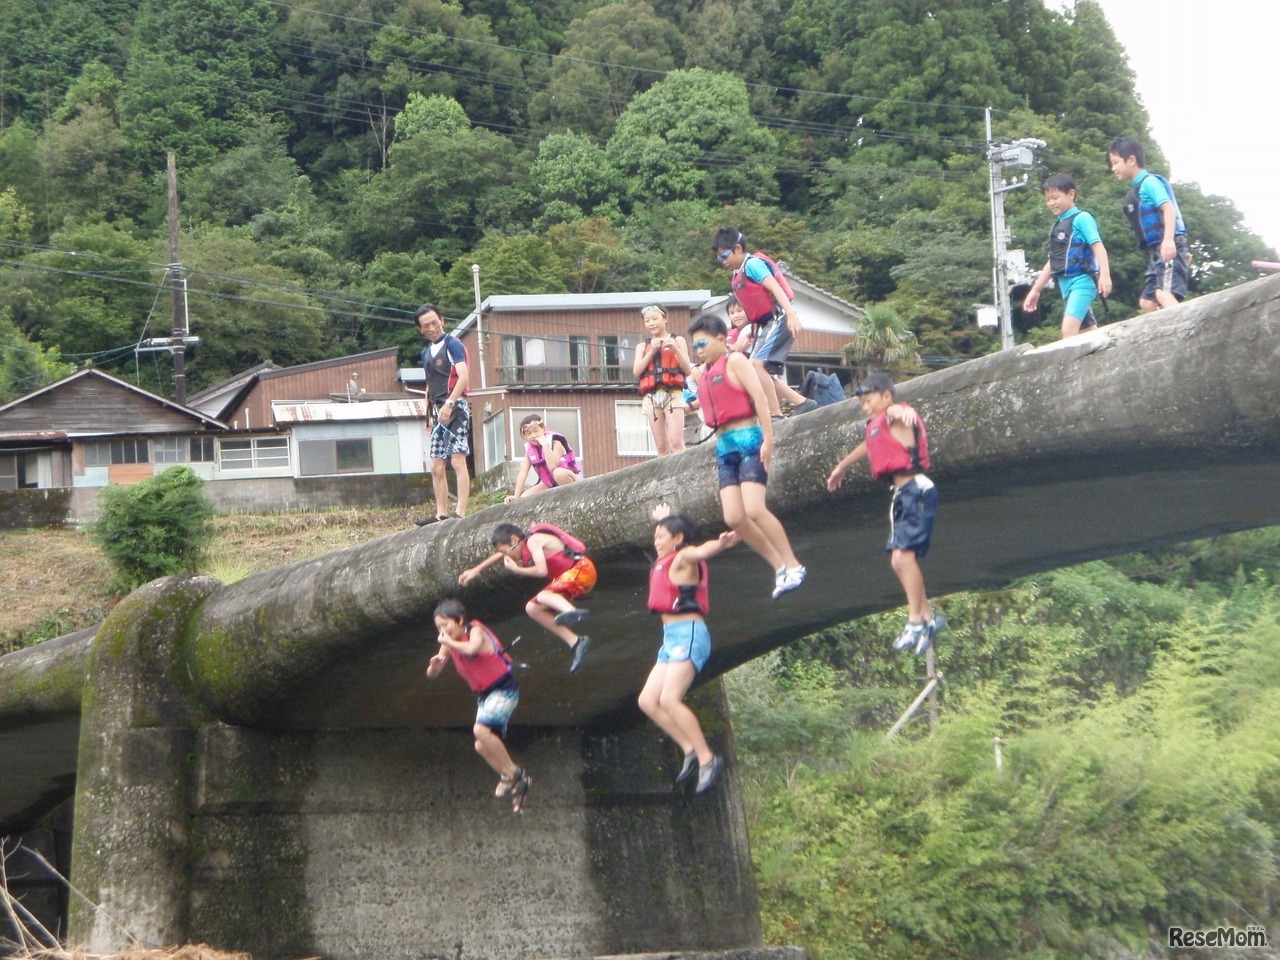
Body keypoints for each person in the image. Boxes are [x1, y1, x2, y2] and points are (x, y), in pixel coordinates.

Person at [688, 313, 806, 600]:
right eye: (695, 347)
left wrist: (768, 439)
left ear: (720, 339)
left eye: (703, 343)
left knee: (754, 509)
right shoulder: (703, 373)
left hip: (749, 439)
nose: (699, 350)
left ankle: (794, 565)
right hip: (723, 445)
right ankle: (779, 568)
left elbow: (760, 398)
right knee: (734, 517)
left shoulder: (735, 361)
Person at [826, 372, 944, 656]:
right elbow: (870, 444)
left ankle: (916, 620)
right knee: (897, 561)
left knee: (903, 557)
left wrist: (896, 408)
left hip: (916, 489)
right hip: (902, 495)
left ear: (886, 395)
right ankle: (928, 618)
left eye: (869, 401)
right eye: (862, 404)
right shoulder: (878, 425)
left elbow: (901, 413)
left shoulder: (895, 413)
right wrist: (841, 466)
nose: (866, 408)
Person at [639, 512, 739, 795]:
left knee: (670, 699)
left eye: (661, 536)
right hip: (670, 638)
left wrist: (720, 544)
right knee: (648, 701)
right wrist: (664, 517)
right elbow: (674, 527)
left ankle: (708, 758)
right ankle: (689, 749)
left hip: (689, 633)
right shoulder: (665, 559)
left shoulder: (683, 558)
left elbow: (701, 550)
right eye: (655, 536)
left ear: (677, 539)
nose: (656, 542)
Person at [425, 599, 532, 812]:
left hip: (504, 689)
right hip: (486, 695)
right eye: (439, 628)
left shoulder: (475, 631)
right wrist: (434, 667)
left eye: (446, 625)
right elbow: (433, 674)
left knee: (480, 730)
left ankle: (512, 773)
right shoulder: (449, 642)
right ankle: (517, 781)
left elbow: (472, 647)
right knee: (480, 745)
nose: (443, 631)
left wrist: (448, 644)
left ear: (460, 620)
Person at [458, 522, 595, 673]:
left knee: (544, 595)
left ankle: (573, 612)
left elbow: (542, 571)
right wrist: (476, 570)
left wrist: (517, 570)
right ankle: (576, 642)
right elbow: (499, 555)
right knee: (532, 608)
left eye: (505, 551)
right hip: (570, 580)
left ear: (514, 539)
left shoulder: (533, 541)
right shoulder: (519, 545)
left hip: (583, 570)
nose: (506, 556)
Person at [711, 228, 816, 420]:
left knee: (756, 365)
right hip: (764, 324)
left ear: (738, 248)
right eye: (720, 258)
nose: (723, 261)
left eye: (725, 255)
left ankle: (775, 413)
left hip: (778, 317)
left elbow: (775, 288)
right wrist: (753, 329)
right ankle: (802, 402)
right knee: (757, 370)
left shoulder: (753, 265)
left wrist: (791, 315)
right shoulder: (738, 273)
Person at [1022, 173, 1113, 339]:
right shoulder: (1058, 226)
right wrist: (1035, 290)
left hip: (1081, 283)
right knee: (1087, 332)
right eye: (1048, 199)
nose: (1051, 203)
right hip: (1066, 288)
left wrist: (1104, 275)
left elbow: (1098, 246)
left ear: (1071, 194)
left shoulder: (1081, 218)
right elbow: (1053, 262)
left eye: (1055, 198)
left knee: (1069, 331)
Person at [1108, 136, 1190, 312]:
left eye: (1115, 163)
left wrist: (1170, 241)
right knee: (1147, 302)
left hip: (1168, 243)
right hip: (1156, 250)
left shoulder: (1149, 183)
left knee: (1163, 294)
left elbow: (1168, 209)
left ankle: (1187, 330)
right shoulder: (1137, 190)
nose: (1113, 168)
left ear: (1131, 160)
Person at [415, 304, 470, 525]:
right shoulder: (425, 353)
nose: (431, 328)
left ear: (442, 320)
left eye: (434, 323)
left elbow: (463, 376)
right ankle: (440, 513)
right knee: (436, 464)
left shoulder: (453, 344)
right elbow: (429, 384)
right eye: (425, 325)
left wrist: (450, 402)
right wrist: (429, 415)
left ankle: (461, 512)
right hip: (438, 409)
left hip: (456, 406)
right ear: (421, 329)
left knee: (457, 459)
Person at [726, 292, 816, 417]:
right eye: (732, 313)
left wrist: (736, 348)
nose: (736, 315)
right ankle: (800, 402)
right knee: (764, 377)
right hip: (748, 376)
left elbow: (733, 352)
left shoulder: (751, 329)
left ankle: (777, 411)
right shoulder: (741, 331)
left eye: (739, 311)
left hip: (748, 372)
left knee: (758, 370)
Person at [632, 304, 693, 455]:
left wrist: (676, 349)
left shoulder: (677, 340)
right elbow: (637, 371)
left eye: (655, 318)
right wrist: (651, 352)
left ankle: (682, 473)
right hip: (651, 397)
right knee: (661, 445)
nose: (651, 323)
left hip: (673, 393)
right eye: (647, 320)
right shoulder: (642, 346)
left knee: (676, 441)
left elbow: (687, 370)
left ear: (665, 318)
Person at [511, 415, 580, 499]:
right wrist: (516, 496)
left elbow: (552, 466)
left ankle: (572, 496)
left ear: (544, 429)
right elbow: (523, 473)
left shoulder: (556, 443)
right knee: (524, 497)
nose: (533, 435)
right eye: (528, 434)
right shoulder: (529, 452)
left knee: (558, 473)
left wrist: (545, 445)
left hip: (566, 476)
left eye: (536, 431)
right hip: (549, 483)